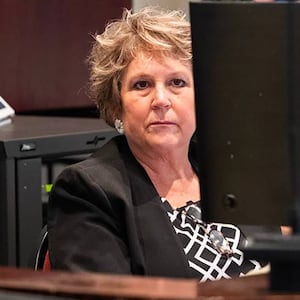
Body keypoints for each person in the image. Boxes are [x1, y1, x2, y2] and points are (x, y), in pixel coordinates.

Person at [47, 6, 267, 281]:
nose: (161, 100)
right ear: (116, 105)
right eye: (142, 85)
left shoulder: (232, 171)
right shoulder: (87, 192)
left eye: (177, 82)